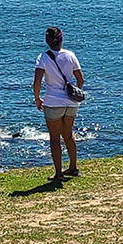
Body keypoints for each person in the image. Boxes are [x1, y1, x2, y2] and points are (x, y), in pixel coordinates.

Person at [33, 26, 85, 183]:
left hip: (53, 102)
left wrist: (37, 98)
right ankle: (73, 168)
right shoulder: (70, 55)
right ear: (61, 39)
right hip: (71, 103)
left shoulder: (43, 57)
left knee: (55, 138)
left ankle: (58, 173)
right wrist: (71, 93)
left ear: (47, 41)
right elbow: (80, 80)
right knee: (68, 135)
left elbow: (37, 82)